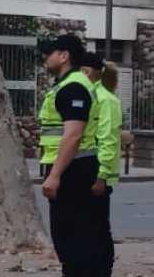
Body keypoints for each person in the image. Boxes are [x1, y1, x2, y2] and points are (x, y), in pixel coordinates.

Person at [37, 35, 104, 277]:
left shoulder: (73, 87)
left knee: (71, 237)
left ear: (64, 56)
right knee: (77, 235)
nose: (46, 57)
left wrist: (55, 175)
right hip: (74, 167)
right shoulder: (69, 84)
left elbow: (73, 135)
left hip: (73, 170)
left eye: (50, 52)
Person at [80, 52, 119, 276]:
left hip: (99, 174)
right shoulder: (94, 95)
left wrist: (101, 175)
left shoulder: (105, 99)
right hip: (90, 171)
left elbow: (108, 140)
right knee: (89, 226)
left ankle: (103, 270)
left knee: (99, 227)